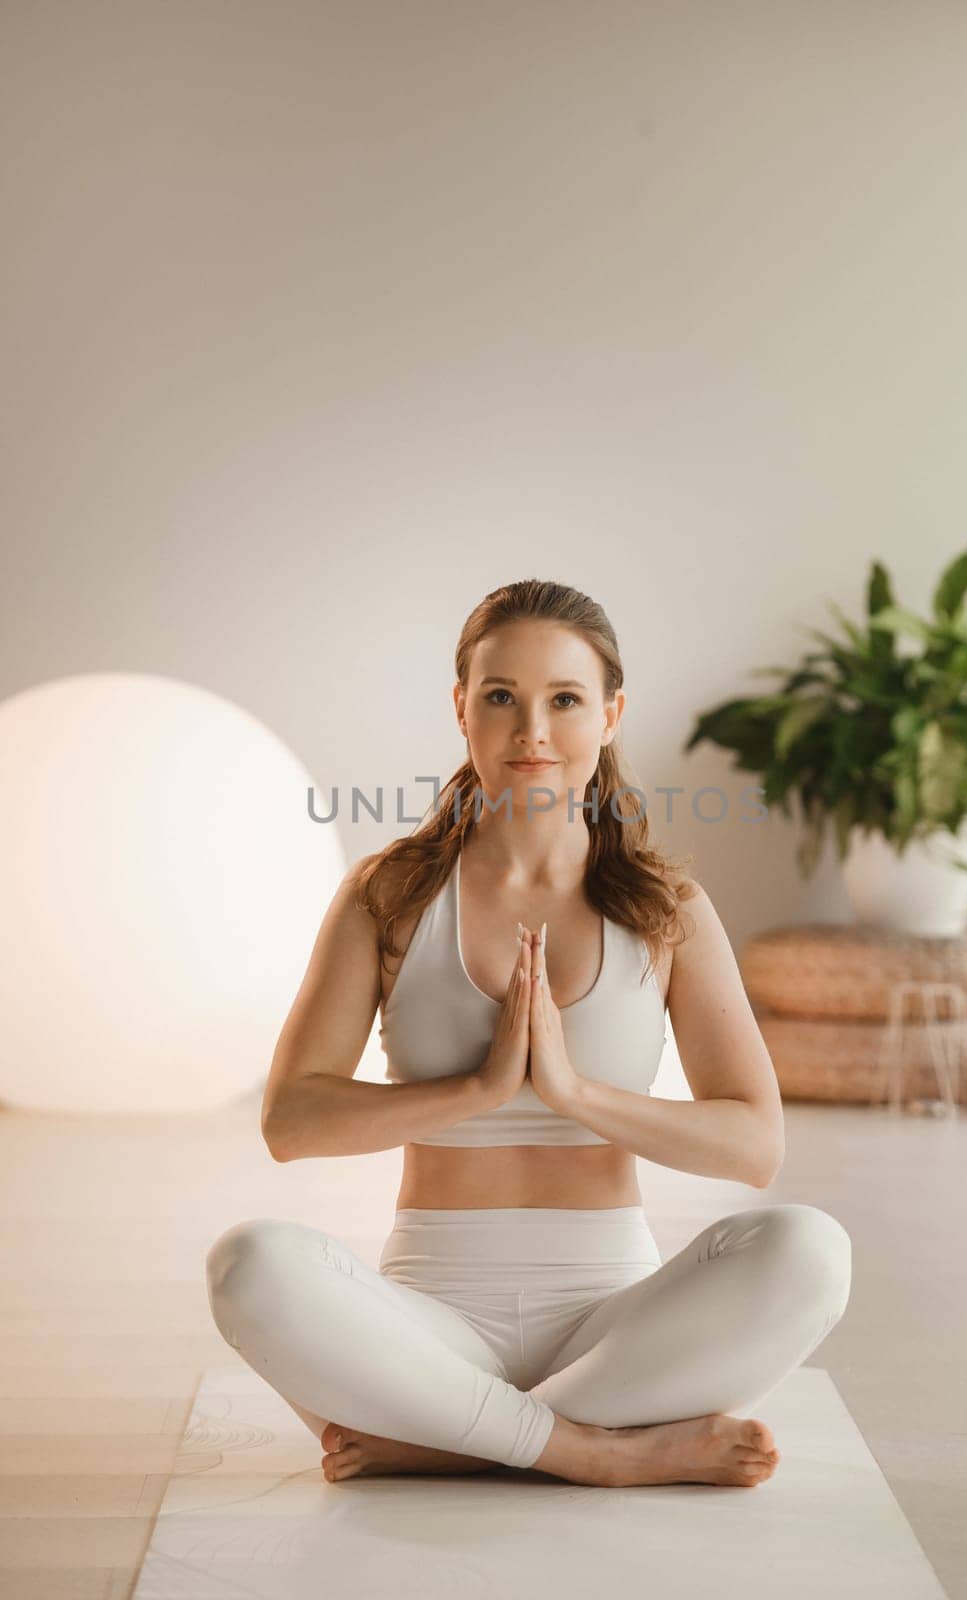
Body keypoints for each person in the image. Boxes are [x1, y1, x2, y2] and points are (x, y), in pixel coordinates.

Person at [206, 577, 852, 1490]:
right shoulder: (386, 895)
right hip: (429, 1316)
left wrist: (575, 1093)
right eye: (501, 696)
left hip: (613, 1325)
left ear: (611, 713)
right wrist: (474, 1090)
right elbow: (290, 1123)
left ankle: (446, 1440)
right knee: (250, 1264)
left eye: (564, 700)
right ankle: (593, 1451)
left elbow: (754, 1145)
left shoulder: (668, 909)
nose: (532, 732)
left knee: (811, 1249)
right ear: (461, 707)